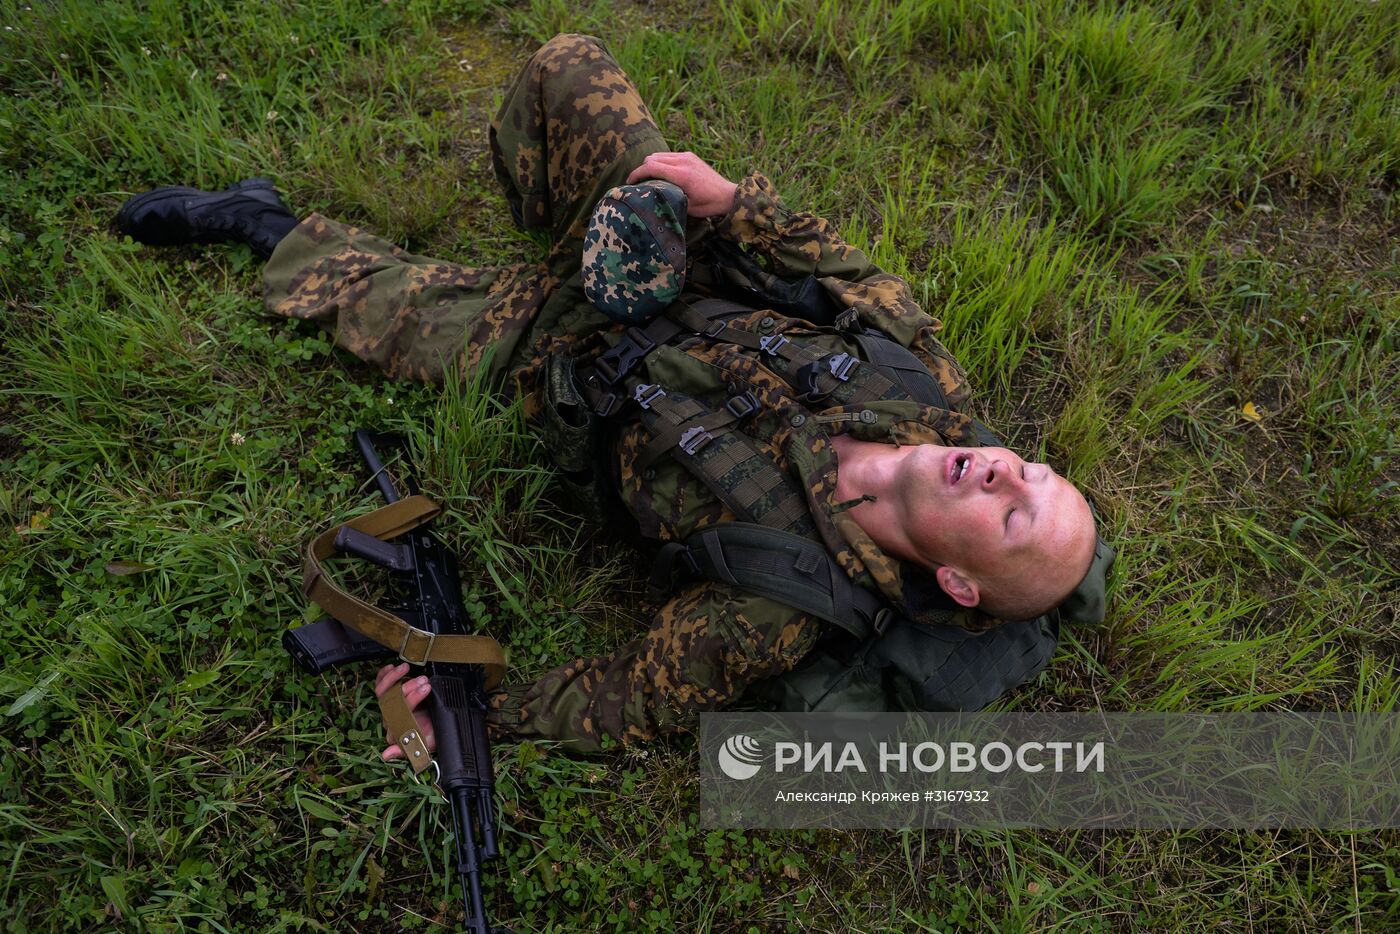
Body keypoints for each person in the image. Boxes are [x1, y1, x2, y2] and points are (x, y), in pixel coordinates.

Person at [114, 34, 1112, 756]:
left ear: (960, 585)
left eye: (1008, 510)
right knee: (565, 64)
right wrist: (733, 205)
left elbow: (628, 698)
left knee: (363, 303)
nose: (997, 467)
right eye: (1026, 467)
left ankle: (258, 220)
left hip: (555, 365)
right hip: (663, 265)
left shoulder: (784, 600)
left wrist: (457, 706)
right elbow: (846, 275)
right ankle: (564, 227)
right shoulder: (927, 392)